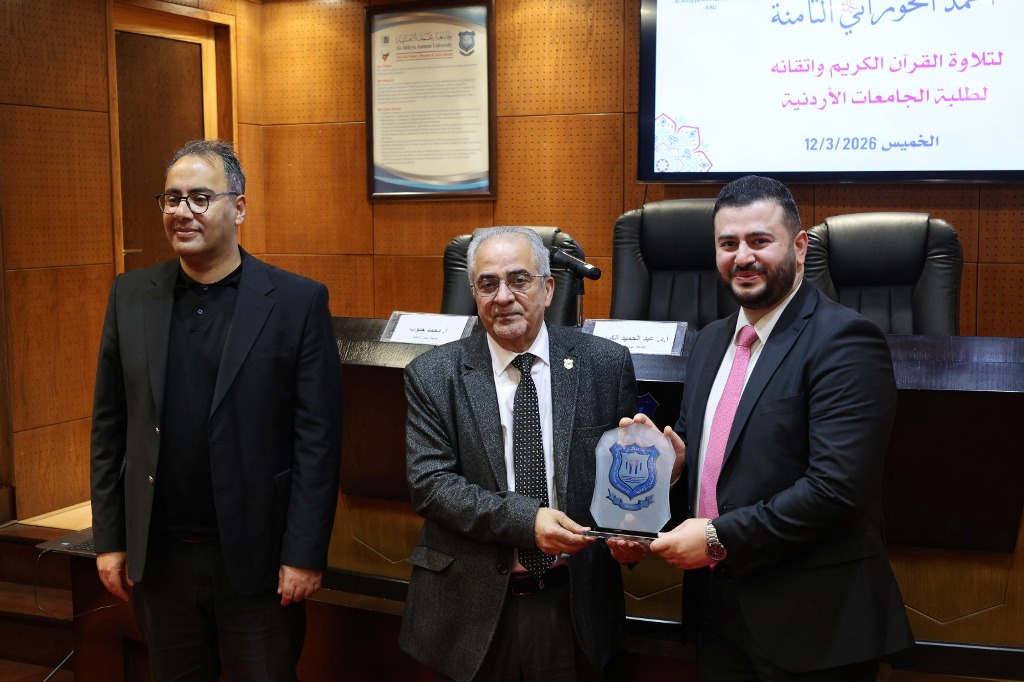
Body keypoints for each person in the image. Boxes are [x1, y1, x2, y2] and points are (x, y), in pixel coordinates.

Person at [635, 175, 913, 680]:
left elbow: (835, 489)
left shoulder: (845, 340)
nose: (742, 257)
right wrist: (671, 468)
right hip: (716, 609)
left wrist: (717, 537)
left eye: (759, 241)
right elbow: (709, 454)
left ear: (799, 247)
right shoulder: (710, 340)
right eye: (728, 244)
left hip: (810, 621)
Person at [90, 138, 344, 681]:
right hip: (160, 559)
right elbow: (109, 428)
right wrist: (110, 539)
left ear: (239, 207)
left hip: (258, 559)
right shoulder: (130, 295)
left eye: (200, 198)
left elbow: (318, 442)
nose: (182, 212)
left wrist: (304, 552)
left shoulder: (297, 302)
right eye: (171, 198)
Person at [399, 227, 647, 681]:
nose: (503, 297)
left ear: (548, 289)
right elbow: (431, 486)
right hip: (470, 609)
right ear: (475, 294)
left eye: (519, 280)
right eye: (488, 284)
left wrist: (637, 521)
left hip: (572, 602)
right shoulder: (433, 374)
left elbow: (625, 474)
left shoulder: (605, 364)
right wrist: (527, 522)